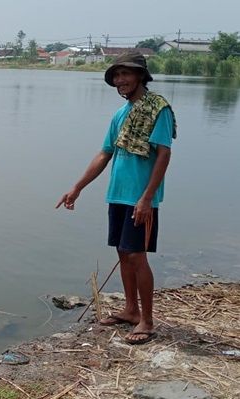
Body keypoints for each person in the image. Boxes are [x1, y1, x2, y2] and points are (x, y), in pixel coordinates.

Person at [56, 52, 176, 345]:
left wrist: (147, 198)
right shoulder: (120, 114)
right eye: (117, 76)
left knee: (137, 255)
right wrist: (78, 187)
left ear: (140, 76)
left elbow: (164, 154)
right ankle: (130, 310)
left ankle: (147, 320)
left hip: (141, 198)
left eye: (126, 74)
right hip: (118, 195)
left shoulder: (158, 109)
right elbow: (105, 153)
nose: (120, 81)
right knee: (123, 253)